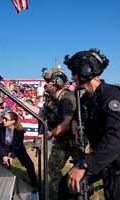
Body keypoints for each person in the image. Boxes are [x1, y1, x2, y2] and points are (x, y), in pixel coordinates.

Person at [59, 48, 120, 200]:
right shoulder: (87, 97)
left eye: (74, 71)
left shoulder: (112, 95)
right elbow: (80, 111)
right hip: (101, 159)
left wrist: (84, 164)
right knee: (66, 185)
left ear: (85, 71)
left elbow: (117, 139)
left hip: (119, 164)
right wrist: (75, 120)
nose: (72, 76)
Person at [42, 67, 80, 200]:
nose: (46, 84)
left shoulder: (67, 97)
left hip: (75, 141)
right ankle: (60, 195)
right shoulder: (53, 99)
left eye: (49, 82)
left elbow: (67, 122)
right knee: (52, 167)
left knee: (81, 173)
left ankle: (81, 194)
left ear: (58, 82)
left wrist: (50, 134)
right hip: (62, 140)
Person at [0, 111, 38, 188]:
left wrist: (12, 156)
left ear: (13, 121)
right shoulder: (0, 127)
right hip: (3, 148)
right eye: (3, 118)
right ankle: (1, 184)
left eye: (6, 119)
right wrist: (4, 156)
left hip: (17, 148)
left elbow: (18, 145)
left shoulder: (19, 130)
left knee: (30, 164)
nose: (3, 120)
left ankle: (35, 183)